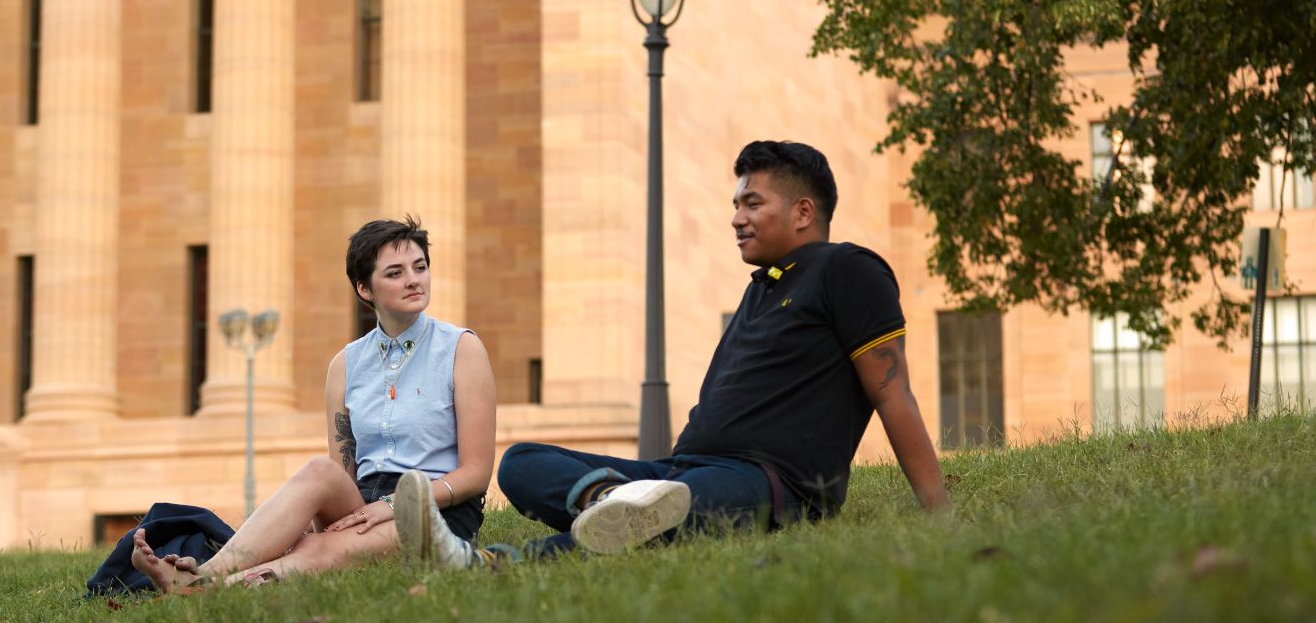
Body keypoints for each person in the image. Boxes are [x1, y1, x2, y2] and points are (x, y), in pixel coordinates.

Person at [399, 140, 949, 567]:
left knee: (678, 505)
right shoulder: (762, 288)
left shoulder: (848, 269)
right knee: (521, 461)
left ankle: (490, 562)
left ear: (803, 211)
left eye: (752, 203)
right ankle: (613, 502)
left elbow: (892, 392)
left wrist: (939, 513)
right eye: (736, 204)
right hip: (680, 469)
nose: (736, 218)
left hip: (770, 484)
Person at [128, 217, 498, 592]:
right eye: (395, 273)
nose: (414, 280)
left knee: (317, 548)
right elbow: (341, 475)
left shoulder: (461, 349)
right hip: (362, 503)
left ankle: (204, 591)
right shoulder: (346, 364)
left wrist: (392, 505)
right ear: (365, 288)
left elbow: (477, 473)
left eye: (420, 267)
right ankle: (204, 572)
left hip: (434, 509)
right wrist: (302, 522)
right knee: (320, 471)